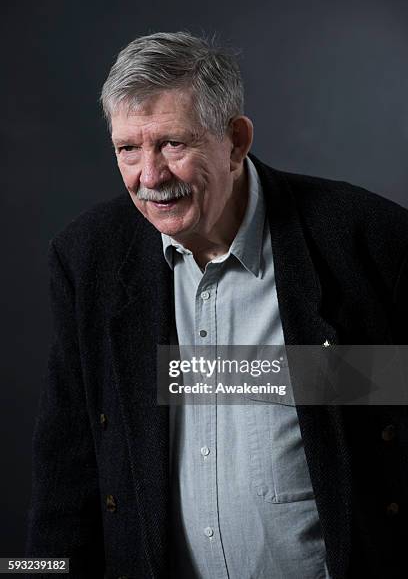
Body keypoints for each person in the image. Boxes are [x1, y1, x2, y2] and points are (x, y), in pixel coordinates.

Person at [26, 32, 408, 579]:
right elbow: (67, 466)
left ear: (236, 141)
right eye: (128, 149)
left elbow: (389, 400)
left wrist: (234, 375)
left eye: (173, 145)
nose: (150, 177)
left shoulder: (371, 240)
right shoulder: (87, 259)